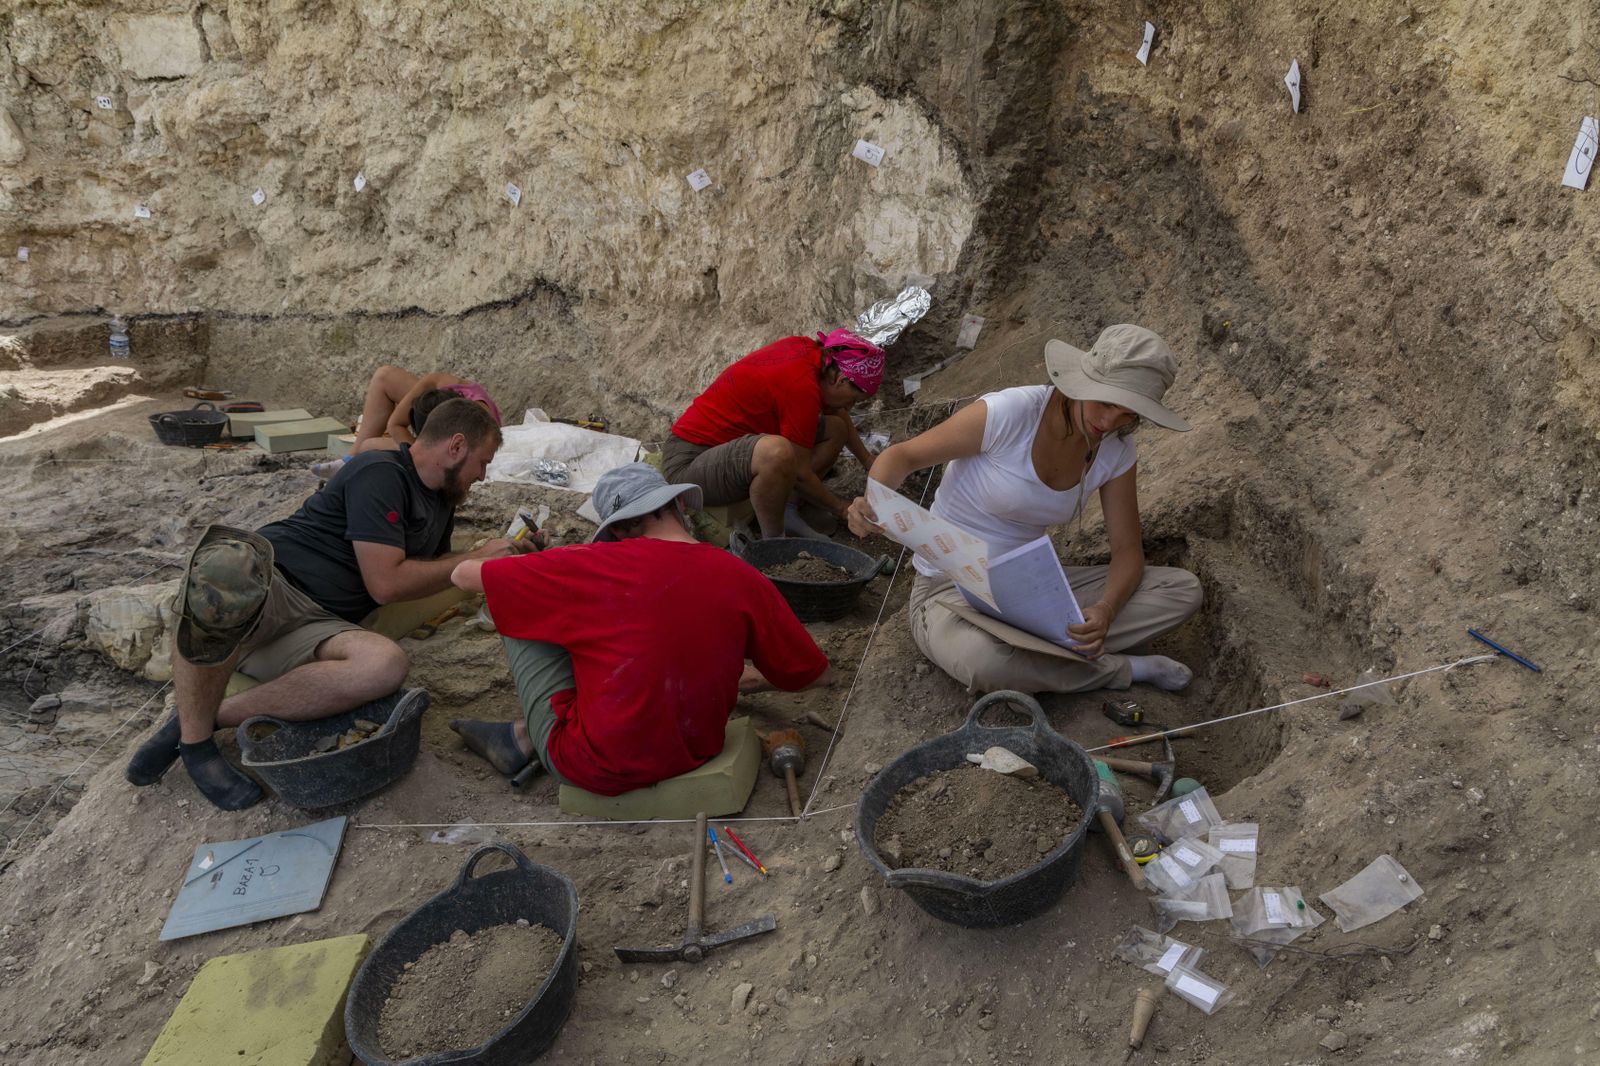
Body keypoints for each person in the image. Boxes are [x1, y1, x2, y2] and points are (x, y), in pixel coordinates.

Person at [125, 399, 534, 810]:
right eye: (483, 461)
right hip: (271, 588)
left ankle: (200, 719)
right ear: (457, 446)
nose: (482, 475)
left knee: (385, 664)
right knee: (226, 564)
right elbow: (387, 584)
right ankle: (196, 748)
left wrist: (503, 558)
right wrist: (474, 558)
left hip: (320, 624)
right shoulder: (381, 472)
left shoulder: (441, 501)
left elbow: (427, 570)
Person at [846, 324, 1203, 695]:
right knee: (986, 663)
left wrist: (1106, 610)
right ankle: (1121, 669)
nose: (1110, 423)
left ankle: (1042, 650)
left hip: (1032, 593)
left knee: (1181, 590)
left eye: (1128, 414)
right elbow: (903, 456)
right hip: (949, 590)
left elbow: (1128, 550)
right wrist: (874, 499)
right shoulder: (1011, 412)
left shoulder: (1116, 450)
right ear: (1084, 383)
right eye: (1107, 403)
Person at [448, 462, 834, 795]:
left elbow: (463, 576)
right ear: (678, 505)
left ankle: (522, 739)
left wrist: (523, 564)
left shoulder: (594, 563)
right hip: (696, 750)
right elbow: (813, 674)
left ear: (618, 530)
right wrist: (729, 672)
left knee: (516, 599)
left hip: (596, 767)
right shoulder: (742, 575)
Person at [661, 329, 883, 540]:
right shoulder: (801, 386)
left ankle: (788, 510)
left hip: (724, 452)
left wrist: (868, 461)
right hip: (688, 466)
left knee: (836, 429)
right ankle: (775, 543)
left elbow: (837, 410)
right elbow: (800, 473)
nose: (850, 407)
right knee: (777, 453)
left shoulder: (812, 353)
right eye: (853, 399)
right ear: (840, 380)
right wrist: (843, 509)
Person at [352, 364, 503, 453]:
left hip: (441, 445)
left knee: (368, 446)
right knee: (384, 376)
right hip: (435, 440)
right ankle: (349, 461)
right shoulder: (440, 382)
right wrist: (416, 450)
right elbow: (395, 424)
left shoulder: (480, 428)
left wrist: (419, 455)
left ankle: (351, 460)